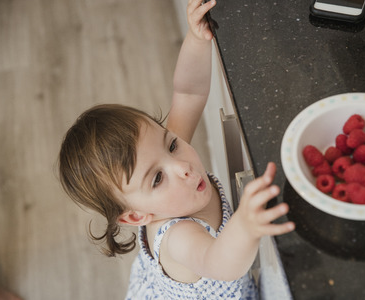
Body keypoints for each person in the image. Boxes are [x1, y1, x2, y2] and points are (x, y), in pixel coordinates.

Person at [58, 0, 295, 298]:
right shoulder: (178, 237)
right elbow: (220, 263)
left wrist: (196, 39)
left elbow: (188, 93)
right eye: (157, 178)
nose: (181, 166)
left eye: (171, 143)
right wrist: (245, 226)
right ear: (135, 217)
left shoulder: (165, 161)